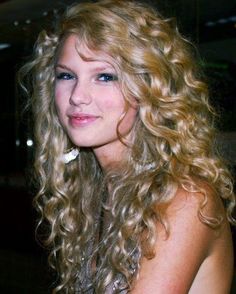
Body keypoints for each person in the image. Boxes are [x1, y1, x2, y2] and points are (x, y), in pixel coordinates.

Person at [20, 0, 235, 293]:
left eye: (105, 76)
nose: (77, 96)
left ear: (147, 88)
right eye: (66, 75)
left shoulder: (185, 200)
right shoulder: (93, 192)